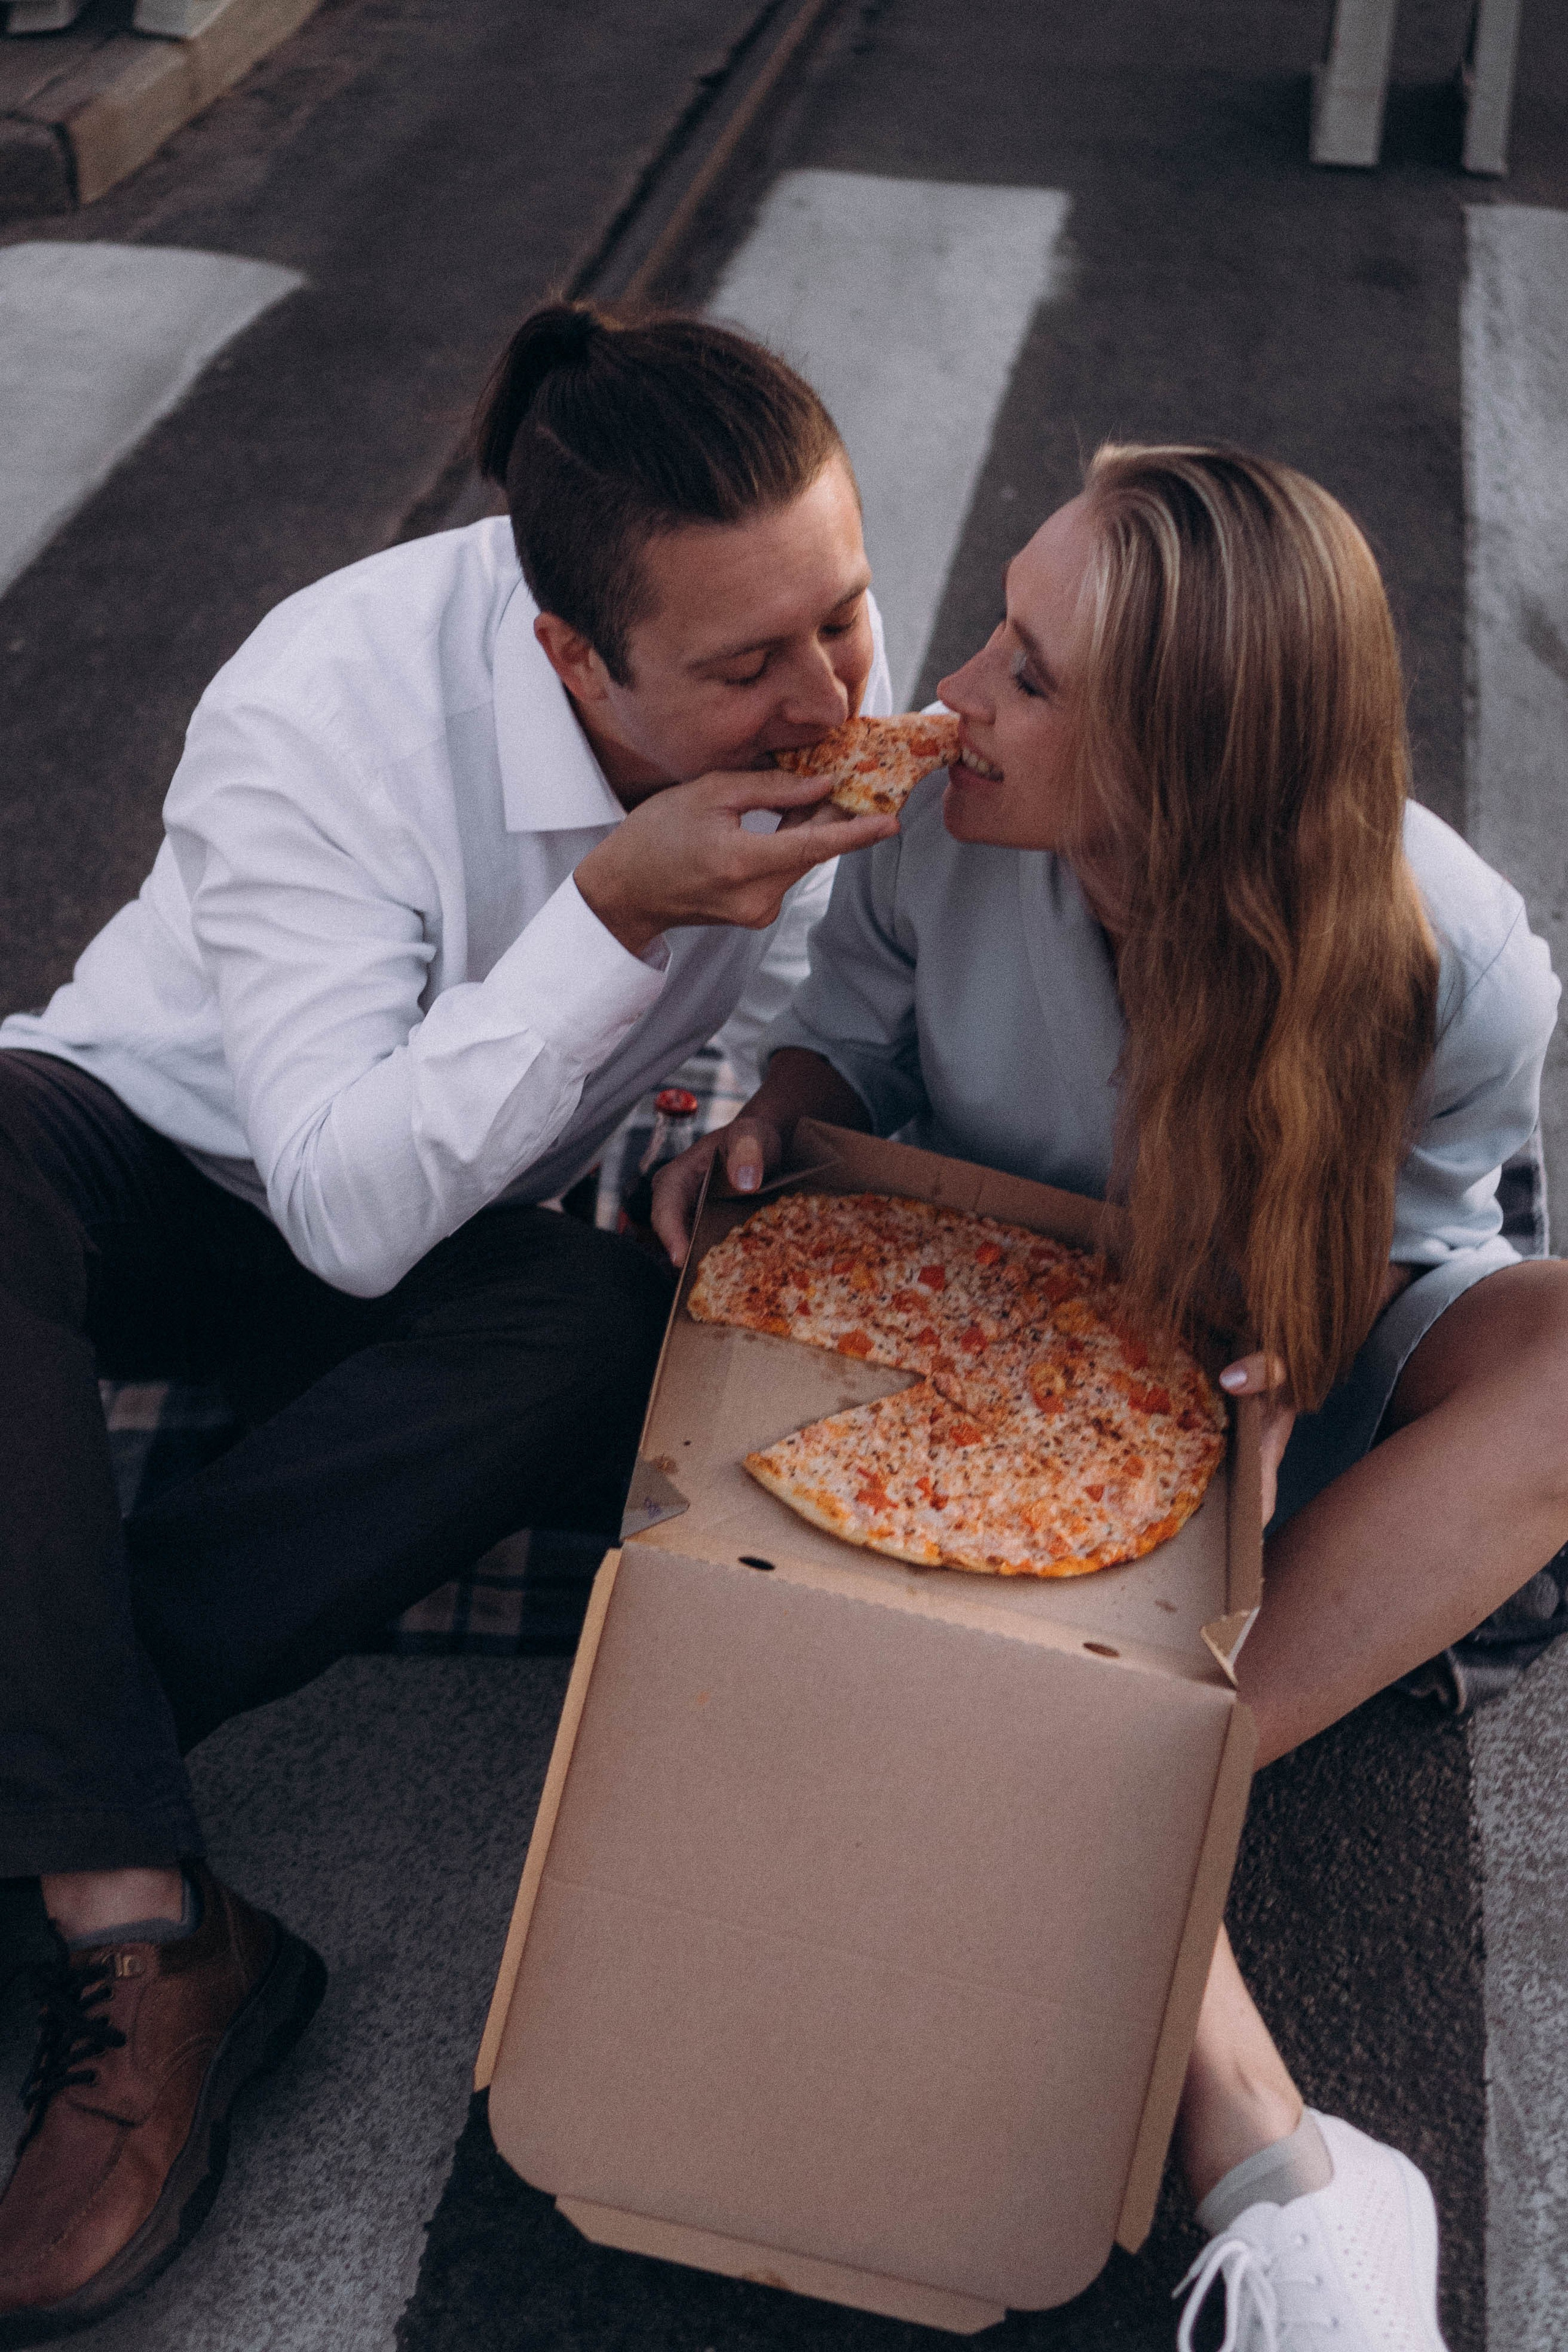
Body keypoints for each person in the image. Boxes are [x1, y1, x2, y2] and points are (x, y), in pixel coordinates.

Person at [0, 300, 900, 2336]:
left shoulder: (813, 678)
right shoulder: (324, 708)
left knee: (606, 1331)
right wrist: (611, 916)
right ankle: (142, 1920)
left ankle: (56, 1743)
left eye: (844, 614)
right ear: (568, 652)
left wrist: (728, 1108)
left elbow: (794, 1004)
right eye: (749, 664)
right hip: (179, 1157)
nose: (831, 692)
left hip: (483, 1220)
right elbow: (333, 1209)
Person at [653, 443, 1566, 2351]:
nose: (950, 693)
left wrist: (1286, 1357)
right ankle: (1270, 2152)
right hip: (1001, 1297)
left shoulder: (1459, 961)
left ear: (1189, 763)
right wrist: (780, 1127)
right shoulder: (927, 825)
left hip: (1279, 1346)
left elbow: (1418, 1244)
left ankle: (1088, 1779)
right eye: (998, 623)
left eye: (1037, 674)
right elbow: (845, 1060)